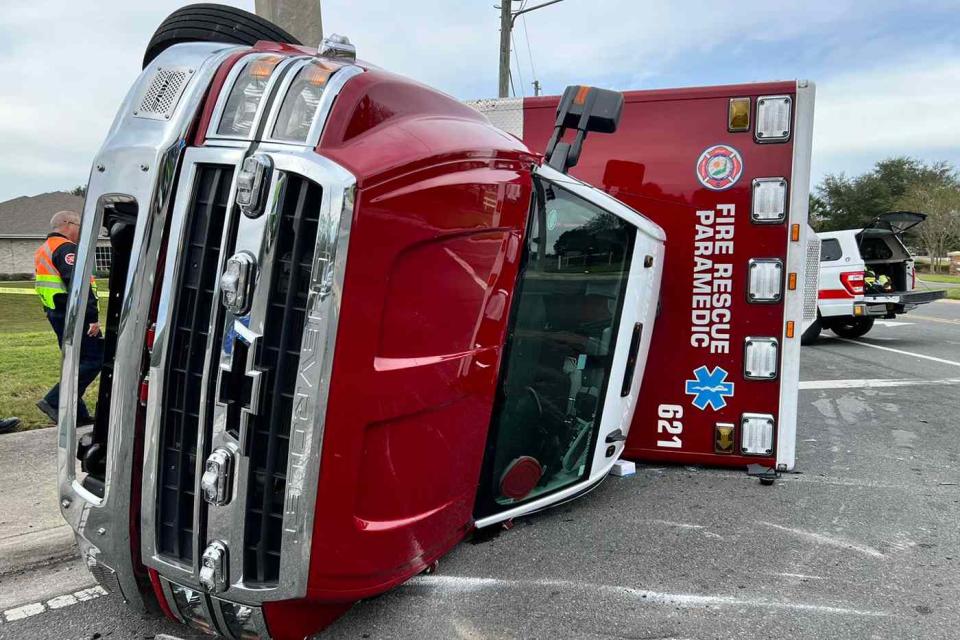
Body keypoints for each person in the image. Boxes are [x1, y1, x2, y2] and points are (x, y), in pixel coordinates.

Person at [34, 211, 103, 426]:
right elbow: (78, 283)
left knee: (75, 363)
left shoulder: (43, 250)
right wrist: (91, 316)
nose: (80, 230)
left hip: (57, 313)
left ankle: (78, 413)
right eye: (78, 225)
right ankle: (54, 400)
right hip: (75, 315)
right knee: (94, 360)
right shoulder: (66, 249)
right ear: (67, 224)